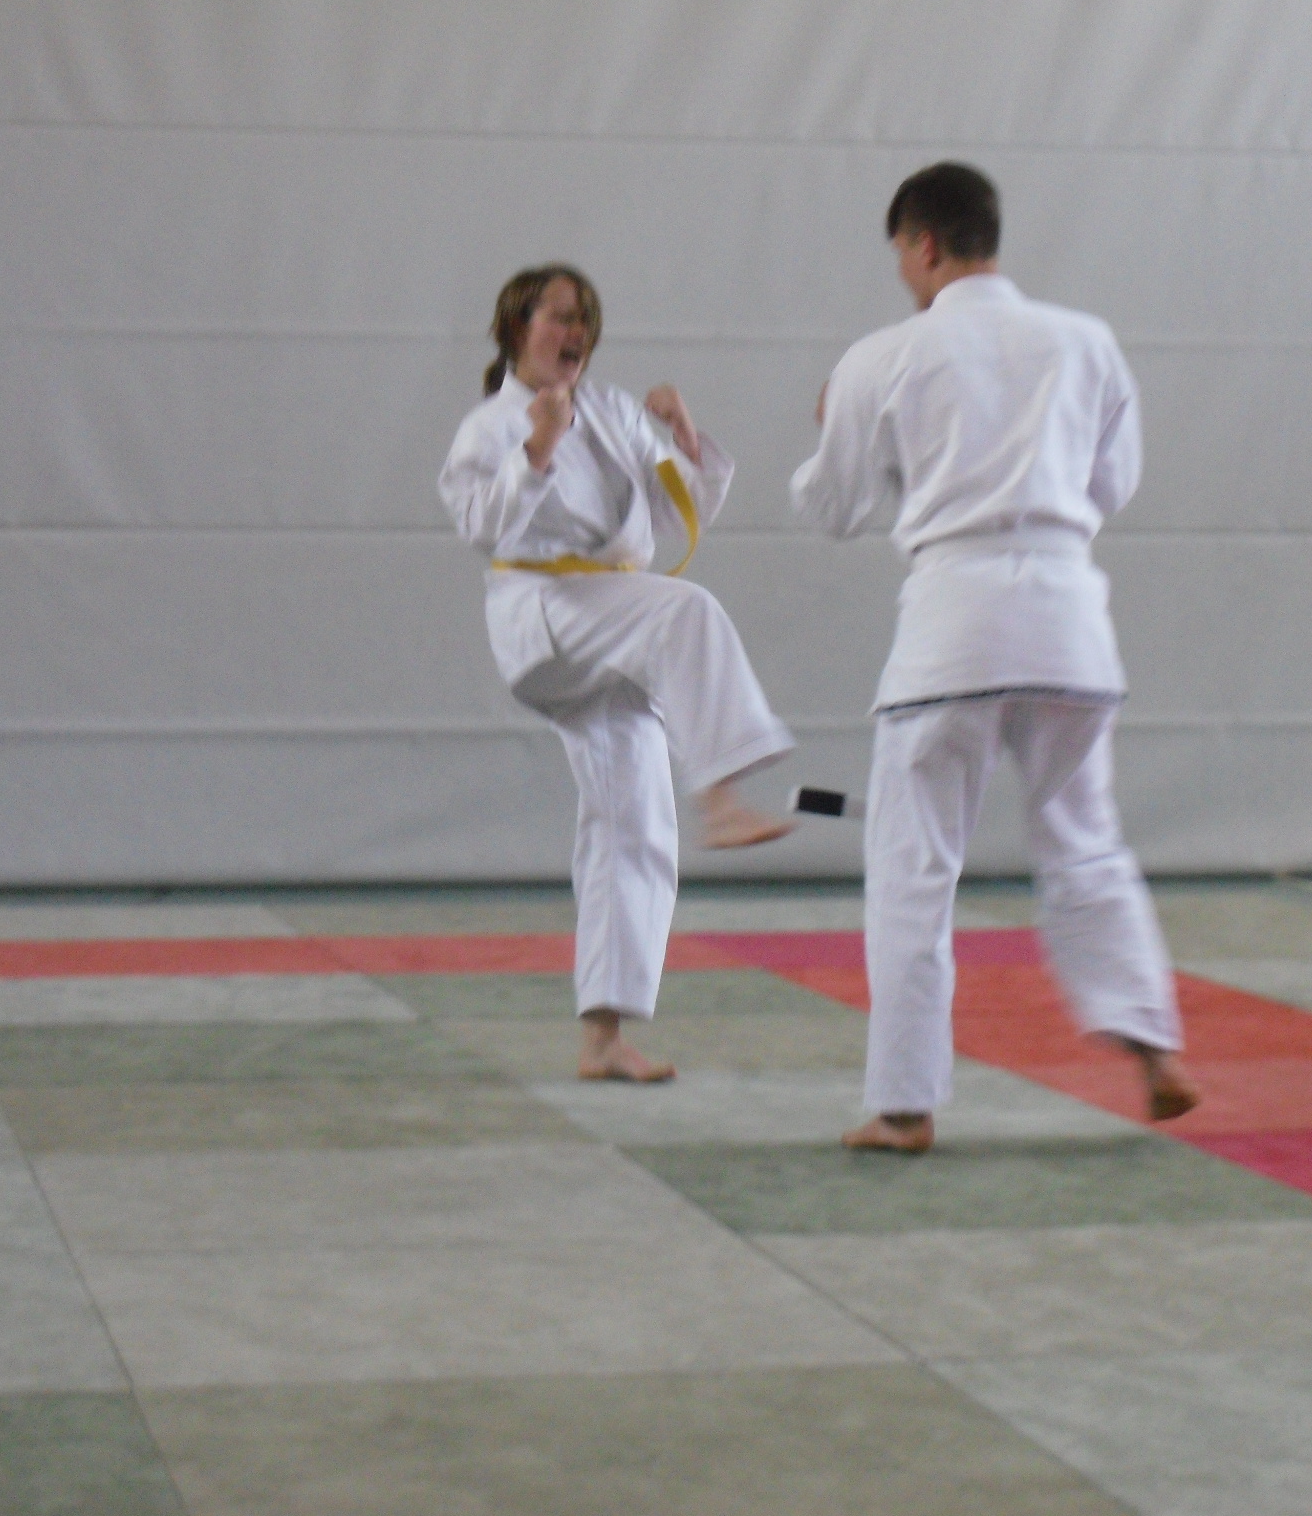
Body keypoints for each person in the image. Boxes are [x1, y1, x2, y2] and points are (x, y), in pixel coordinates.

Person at [790, 163, 1198, 1151]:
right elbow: (1111, 486)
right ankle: (1151, 1047)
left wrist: (832, 426)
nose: (901, 272)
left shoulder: (882, 356)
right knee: (1086, 841)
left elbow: (832, 508)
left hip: (952, 630)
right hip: (1067, 620)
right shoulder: (1086, 340)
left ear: (924, 244)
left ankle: (903, 1105)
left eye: (900, 253)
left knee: (912, 869)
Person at [441, 264, 796, 1083]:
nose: (574, 333)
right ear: (516, 328)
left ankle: (603, 1038)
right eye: (558, 317)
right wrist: (537, 447)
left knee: (631, 819)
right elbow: (480, 525)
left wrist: (683, 438)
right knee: (687, 612)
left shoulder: (611, 410)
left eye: (584, 321)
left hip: (610, 625)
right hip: (546, 611)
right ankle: (723, 795)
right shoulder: (488, 428)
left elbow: (678, 509)